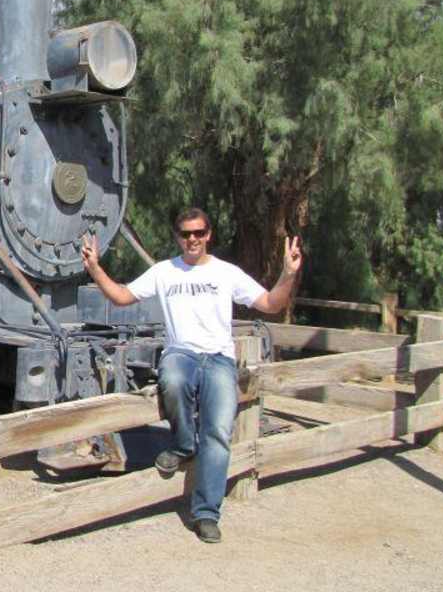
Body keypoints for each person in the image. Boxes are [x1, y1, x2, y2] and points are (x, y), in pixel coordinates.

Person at [80, 208, 302, 544]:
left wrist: (287, 274)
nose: (192, 239)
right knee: (173, 380)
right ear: (178, 237)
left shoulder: (227, 273)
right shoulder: (164, 271)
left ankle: (206, 513)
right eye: (185, 234)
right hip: (181, 354)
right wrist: (95, 268)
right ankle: (184, 444)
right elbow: (122, 297)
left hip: (219, 358)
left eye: (198, 233)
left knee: (218, 432)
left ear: (208, 234)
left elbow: (271, 303)